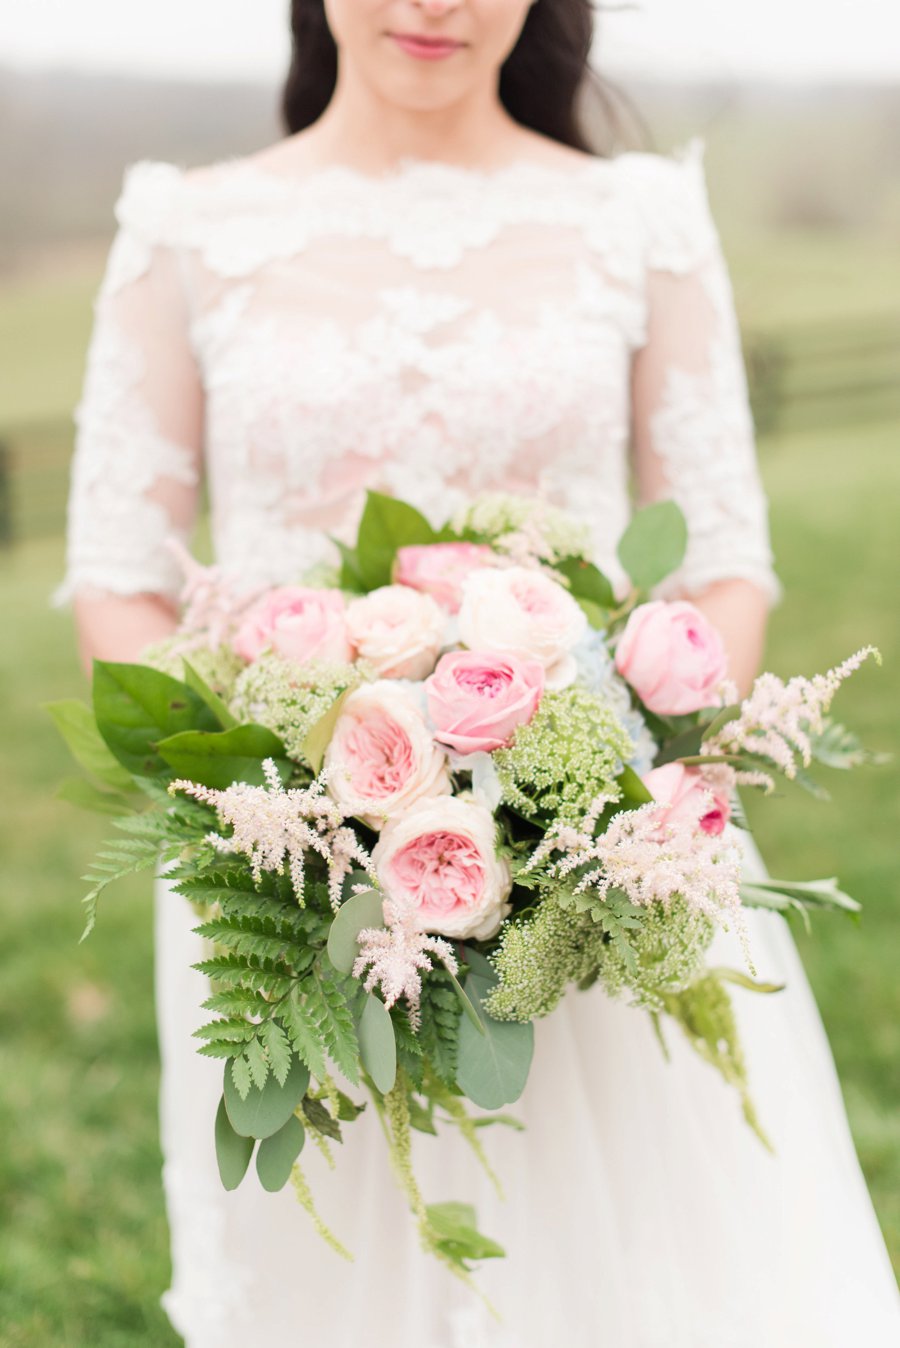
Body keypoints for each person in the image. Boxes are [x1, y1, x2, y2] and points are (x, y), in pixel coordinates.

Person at [58, 1, 900, 1344]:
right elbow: (120, 572)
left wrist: (611, 800)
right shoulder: (185, 231)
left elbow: (725, 560)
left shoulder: (643, 222)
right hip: (290, 875)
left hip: (598, 863)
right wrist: (271, 811)